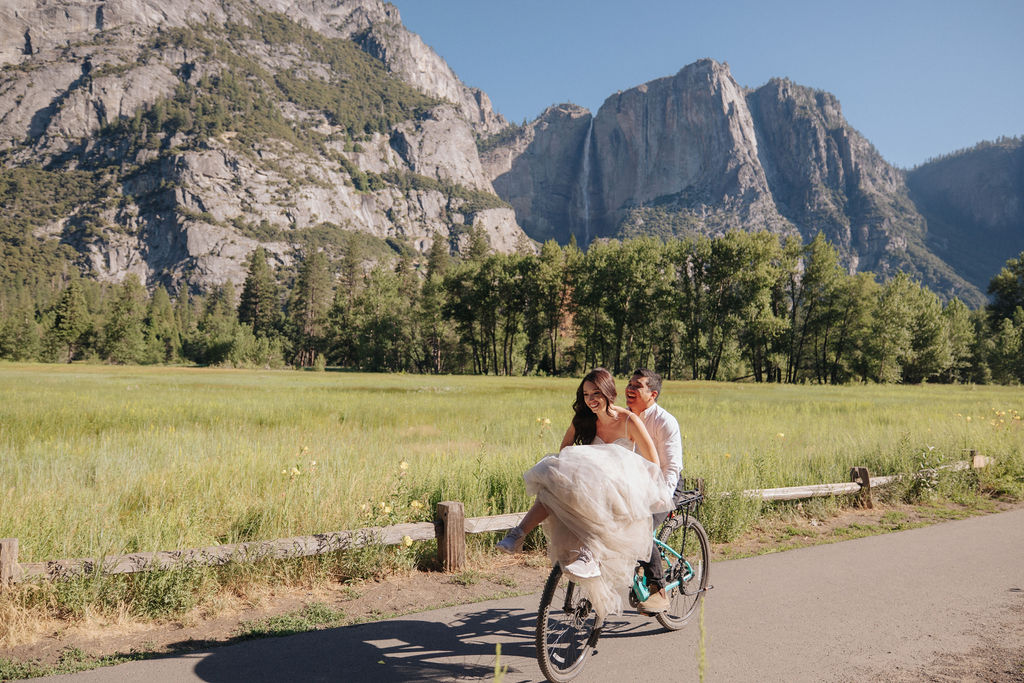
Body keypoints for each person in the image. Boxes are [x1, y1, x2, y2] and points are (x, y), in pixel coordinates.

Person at [497, 368, 671, 619]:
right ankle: (518, 534)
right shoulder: (582, 420)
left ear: (609, 392)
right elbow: (565, 451)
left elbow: (652, 461)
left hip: (623, 485)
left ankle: (594, 556)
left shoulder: (628, 420)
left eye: (596, 393)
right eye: (586, 394)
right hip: (594, 485)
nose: (591, 399)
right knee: (554, 481)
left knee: (621, 511)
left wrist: (652, 494)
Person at [624, 368, 683, 614]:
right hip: (634, 486)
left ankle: (658, 589)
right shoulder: (622, 417)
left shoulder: (664, 421)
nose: (629, 389)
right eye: (629, 383)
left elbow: (671, 468)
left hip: (664, 486)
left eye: (637, 386)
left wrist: (661, 499)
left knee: (641, 529)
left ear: (653, 394)